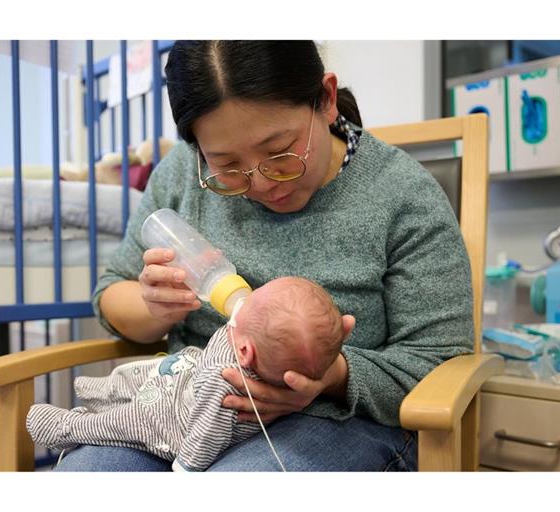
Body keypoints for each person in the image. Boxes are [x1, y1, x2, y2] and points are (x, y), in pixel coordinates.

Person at [56, 40, 474, 471]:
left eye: (280, 153)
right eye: (228, 166)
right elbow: (111, 294)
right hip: (181, 409)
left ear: (326, 100)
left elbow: (438, 360)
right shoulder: (182, 175)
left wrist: (334, 376)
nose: (261, 183)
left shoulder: (402, 195)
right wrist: (153, 305)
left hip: (339, 420)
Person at [27, 276, 348, 471]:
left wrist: (186, 469)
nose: (245, 297)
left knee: (120, 423)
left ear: (246, 353)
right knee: (137, 377)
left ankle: (69, 426)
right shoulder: (250, 344)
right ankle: (103, 391)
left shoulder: (224, 388)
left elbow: (205, 437)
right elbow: (110, 290)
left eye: (251, 304)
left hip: (168, 423)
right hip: (182, 373)